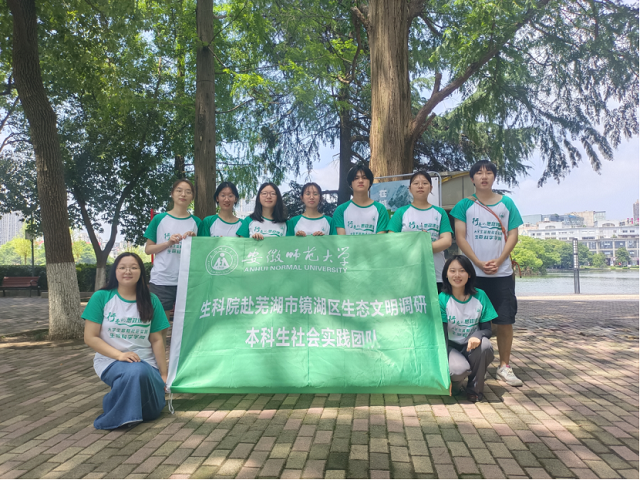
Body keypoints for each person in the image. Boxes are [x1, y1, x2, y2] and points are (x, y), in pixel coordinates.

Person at [450, 160, 524, 387]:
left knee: (504, 320)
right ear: (472, 178)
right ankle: (473, 362)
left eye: (489, 173)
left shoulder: (507, 203)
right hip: (473, 273)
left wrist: (499, 261)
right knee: (471, 320)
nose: (484, 176)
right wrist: (477, 263)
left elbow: (513, 235)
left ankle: (504, 366)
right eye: (479, 173)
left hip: (502, 273)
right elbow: (460, 237)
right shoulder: (464, 205)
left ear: (494, 177)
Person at [83, 252, 170, 430]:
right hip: (111, 361)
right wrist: (120, 355)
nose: (127, 271)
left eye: (133, 267)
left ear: (141, 272)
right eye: (122, 267)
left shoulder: (151, 300)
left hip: (147, 363)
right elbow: (90, 337)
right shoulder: (101, 297)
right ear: (115, 271)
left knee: (152, 411)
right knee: (135, 370)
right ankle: (117, 418)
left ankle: (113, 402)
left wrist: (163, 374)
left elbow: (157, 340)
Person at [440, 255, 496, 403]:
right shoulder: (442, 299)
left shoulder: (480, 296)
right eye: (452, 271)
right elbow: (442, 335)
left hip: (471, 347)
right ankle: (455, 383)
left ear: (469, 274)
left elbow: (488, 330)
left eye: (462, 270)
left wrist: (478, 335)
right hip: (451, 347)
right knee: (458, 370)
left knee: (485, 345)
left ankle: (474, 390)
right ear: (446, 274)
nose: (457, 275)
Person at [144, 179, 201, 318]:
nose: (183, 194)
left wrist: (195, 241)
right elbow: (148, 249)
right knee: (161, 324)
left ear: (192, 197)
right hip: (162, 280)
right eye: (179, 190)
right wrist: (168, 243)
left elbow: (202, 254)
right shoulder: (159, 219)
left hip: (189, 281)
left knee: (187, 324)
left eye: (188, 192)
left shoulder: (197, 222)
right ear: (172, 194)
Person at [387, 171, 452, 291]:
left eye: (425, 183)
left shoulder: (440, 212)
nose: (420, 186)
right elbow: (391, 240)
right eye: (416, 183)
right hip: (407, 274)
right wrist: (420, 245)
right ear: (410, 188)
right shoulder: (401, 212)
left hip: (435, 274)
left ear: (431, 188)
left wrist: (420, 247)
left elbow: (447, 241)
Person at [333, 164, 389, 235]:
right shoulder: (341, 210)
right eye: (356, 178)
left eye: (364, 178)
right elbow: (341, 239)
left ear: (370, 183)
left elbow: (381, 239)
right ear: (350, 184)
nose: (360, 181)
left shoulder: (380, 209)